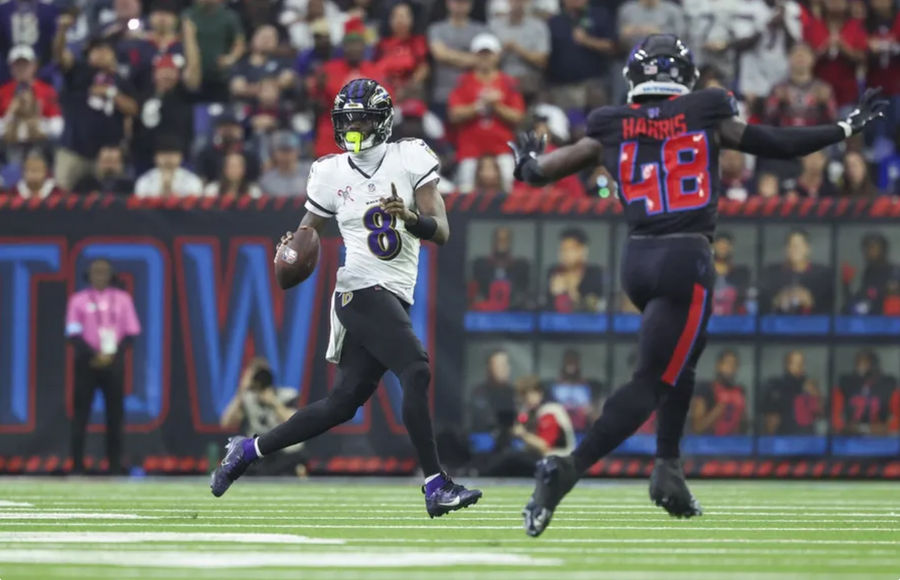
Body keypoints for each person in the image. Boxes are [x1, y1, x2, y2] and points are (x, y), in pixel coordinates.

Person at [509, 33, 885, 536]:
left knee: (679, 358)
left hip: (637, 258)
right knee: (652, 380)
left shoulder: (610, 123)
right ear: (684, 77)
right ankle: (568, 469)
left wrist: (528, 164)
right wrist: (840, 128)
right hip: (685, 256)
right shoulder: (707, 109)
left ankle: (668, 470)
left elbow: (542, 172)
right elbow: (770, 141)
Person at [210, 78, 482, 517]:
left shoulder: (409, 157)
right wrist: (291, 247)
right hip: (359, 288)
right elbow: (306, 234)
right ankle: (436, 484)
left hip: (394, 291)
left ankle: (248, 450)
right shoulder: (329, 171)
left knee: (342, 405)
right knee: (415, 369)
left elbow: (443, 231)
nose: (351, 126)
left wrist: (410, 217)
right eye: (345, 119)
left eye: (359, 118)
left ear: (381, 120)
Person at [65, 258, 142, 474]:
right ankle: (77, 466)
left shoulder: (123, 299)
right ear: (88, 275)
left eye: (104, 271)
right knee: (80, 414)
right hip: (86, 362)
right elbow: (72, 333)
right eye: (95, 271)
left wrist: (111, 354)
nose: (100, 275)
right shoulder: (78, 300)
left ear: (111, 275)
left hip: (113, 363)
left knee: (115, 415)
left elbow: (131, 333)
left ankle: (115, 465)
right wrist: (94, 354)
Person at [52, 17, 140, 191]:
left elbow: (133, 109)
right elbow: (60, 56)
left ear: (113, 54)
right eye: (96, 50)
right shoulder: (78, 71)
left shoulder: (121, 80)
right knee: (61, 197)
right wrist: (62, 32)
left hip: (107, 155)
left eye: (105, 50)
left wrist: (110, 93)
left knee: (109, 200)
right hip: (73, 150)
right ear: (88, 54)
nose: (101, 53)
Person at [447, 33, 524, 193]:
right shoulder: (463, 81)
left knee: (509, 190)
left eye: (489, 54)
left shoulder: (508, 82)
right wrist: (479, 105)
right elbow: (454, 115)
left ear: (497, 56)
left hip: (501, 147)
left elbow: (517, 117)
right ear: (474, 56)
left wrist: (496, 105)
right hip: (470, 148)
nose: (485, 58)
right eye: (481, 54)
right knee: (465, 192)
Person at [219, 358, 308, 477]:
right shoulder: (247, 398)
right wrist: (241, 391)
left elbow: (297, 424)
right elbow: (226, 423)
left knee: (294, 457)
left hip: (283, 451)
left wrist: (274, 403)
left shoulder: (286, 395)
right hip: (258, 453)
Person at [545, 0, 614, 110]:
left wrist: (587, 41)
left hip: (594, 84)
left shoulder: (599, 15)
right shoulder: (554, 21)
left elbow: (612, 47)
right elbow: (547, 55)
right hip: (563, 87)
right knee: (569, 123)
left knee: (598, 122)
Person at [0, 45, 63, 160]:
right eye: (17, 65)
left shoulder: (47, 90)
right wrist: (10, 115)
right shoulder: (3, 91)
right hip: (8, 145)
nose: (21, 68)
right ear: (11, 68)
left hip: (40, 145)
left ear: (34, 66)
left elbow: (58, 126)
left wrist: (38, 124)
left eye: (25, 64)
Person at [427, 0, 487, 119]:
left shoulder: (482, 30)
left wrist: (450, 56)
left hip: (473, 97)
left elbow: (485, 60)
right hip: (442, 94)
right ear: (448, 3)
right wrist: (471, 58)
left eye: (463, 2)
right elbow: (440, 54)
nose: (460, 4)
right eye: (456, 1)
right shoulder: (436, 28)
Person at [802, 0, 867, 109]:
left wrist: (845, 49)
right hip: (817, 94)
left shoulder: (855, 25)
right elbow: (804, 56)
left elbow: (863, 57)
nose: (836, 3)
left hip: (847, 93)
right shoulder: (813, 25)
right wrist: (823, 49)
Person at [182, 0, 246, 102]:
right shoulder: (189, 14)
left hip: (219, 77)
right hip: (193, 76)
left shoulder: (229, 16)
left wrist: (230, 58)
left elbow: (239, 43)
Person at [759, 229, 834, 314]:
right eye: (790, 245)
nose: (794, 250)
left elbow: (830, 309)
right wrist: (777, 301)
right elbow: (760, 308)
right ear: (786, 249)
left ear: (807, 248)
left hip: (812, 325)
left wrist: (810, 301)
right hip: (779, 324)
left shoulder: (822, 275)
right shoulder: (771, 273)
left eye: (798, 246)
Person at [765, 43, 838, 128]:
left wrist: (824, 105)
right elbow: (768, 122)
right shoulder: (778, 89)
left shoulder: (824, 89)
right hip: (786, 137)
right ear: (789, 59)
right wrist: (778, 103)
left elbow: (833, 123)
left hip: (814, 138)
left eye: (805, 52)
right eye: (795, 53)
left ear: (813, 59)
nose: (800, 55)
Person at [832, 349, 900, 436]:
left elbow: (897, 417)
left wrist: (887, 427)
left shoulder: (889, 384)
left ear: (875, 365)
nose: (862, 367)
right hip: (850, 438)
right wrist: (843, 427)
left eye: (866, 363)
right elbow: (834, 416)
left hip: (881, 438)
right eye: (859, 364)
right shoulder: (845, 383)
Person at [489, 0, 550, 92]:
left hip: (530, 80)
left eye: (521, 1)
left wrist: (518, 49)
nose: (518, 3)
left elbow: (542, 60)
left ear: (527, 2)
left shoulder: (538, 26)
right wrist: (503, 49)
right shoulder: (495, 25)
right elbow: (486, 58)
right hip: (501, 79)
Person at [760, 350, 824, 435]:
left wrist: (815, 395)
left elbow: (820, 415)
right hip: (785, 437)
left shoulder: (810, 386)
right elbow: (770, 420)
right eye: (795, 363)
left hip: (807, 438)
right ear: (787, 365)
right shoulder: (776, 386)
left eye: (802, 363)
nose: (800, 367)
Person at [470, 226, 532, 311]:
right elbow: (476, 293)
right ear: (493, 241)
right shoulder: (481, 266)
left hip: (513, 313)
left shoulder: (521, 267)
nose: (502, 242)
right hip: (486, 312)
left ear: (510, 242)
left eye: (505, 239)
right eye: (499, 239)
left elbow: (524, 293)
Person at [375, 2, 428, 100]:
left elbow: (423, 69)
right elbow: (375, 69)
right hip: (384, 94)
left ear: (411, 19)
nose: (400, 20)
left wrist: (407, 88)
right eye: (396, 16)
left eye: (403, 16)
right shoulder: (382, 44)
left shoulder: (418, 42)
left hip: (410, 94)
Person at [690, 349, 749, 436]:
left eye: (734, 364)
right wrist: (718, 410)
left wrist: (739, 410)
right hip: (708, 444)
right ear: (718, 365)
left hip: (734, 444)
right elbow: (697, 427)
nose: (731, 368)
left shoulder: (740, 391)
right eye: (727, 363)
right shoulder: (705, 388)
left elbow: (745, 427)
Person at [545, 228, 604, 313]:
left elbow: (595, 309)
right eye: (562, 249)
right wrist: (553, 293)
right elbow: (544, 309)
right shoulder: (553, 272)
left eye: (569, 249)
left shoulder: (595, 274)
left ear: (582, 251)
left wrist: (571, 291)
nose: (564, 254)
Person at [546, 349, 604, 432]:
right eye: (568, 361)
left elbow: (596, 413)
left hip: (583, 430)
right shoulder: (553, 387)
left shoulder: (589, 386)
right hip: (560, 431)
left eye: (574, 361)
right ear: (564, 363)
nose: (571, 364)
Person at [843, 233, 900, 316]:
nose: (868, 252)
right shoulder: (868, 273)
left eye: (872, 247)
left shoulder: (895, 272)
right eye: (866, 248)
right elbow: (856, 304)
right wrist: (846, 284)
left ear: (883, 250)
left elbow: (884, 300)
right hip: (869, 322)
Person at [135, 135, 205, 197]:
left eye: (172, 155)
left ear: (180, 157)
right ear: (155, 157)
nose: (168, 159)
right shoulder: (145, 181)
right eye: (164, 155)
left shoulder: (192, 181)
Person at [469, 348, 517, 433]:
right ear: (489, 368)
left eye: (505, 365)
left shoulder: (516, 394)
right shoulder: (478, 393)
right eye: (499, 365)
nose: (503, 369)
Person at [711, 232, 751, 316]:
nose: (723, 249)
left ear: (731, 248)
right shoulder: (703, 272)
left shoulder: (742, 274)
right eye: (720, 246)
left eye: (726, 246)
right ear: (714, 247)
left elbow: (744, 298)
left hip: (733, 321)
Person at [259, 131, 309, 197]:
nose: (285, 155)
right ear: (273, 153)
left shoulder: (310, 173)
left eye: (289, 150)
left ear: (298, 151)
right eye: (281, 150)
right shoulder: (266, 180)